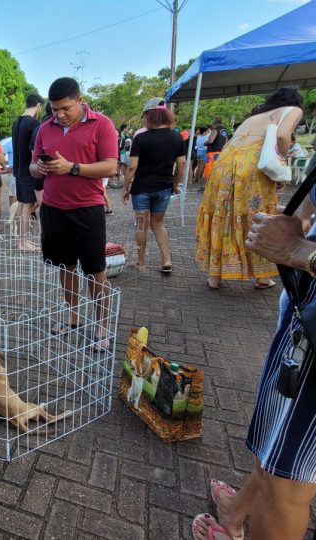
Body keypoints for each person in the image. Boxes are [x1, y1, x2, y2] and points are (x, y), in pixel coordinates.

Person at [191, 187, 316, 539]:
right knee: (276, 443)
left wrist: (299, 251)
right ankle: (234, 512)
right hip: (305, 318)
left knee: (288, 481)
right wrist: (300, 223)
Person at [29, 77, 118, 349]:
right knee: (65, 266)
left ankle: (102, 325)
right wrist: (40, 170)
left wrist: (73, 168)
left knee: (95, 270)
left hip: (87, 209)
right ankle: (72, 314)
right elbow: (32, 166)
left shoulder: (102, 124)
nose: (60, 115)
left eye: (66, 108)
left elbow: (110, 167)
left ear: (80, 101)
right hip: (54, 209)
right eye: (55, 109)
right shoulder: (45, 128)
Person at [196, 87, 303, 290]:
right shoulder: (292, 109)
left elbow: (231, 144)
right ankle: (262, 277)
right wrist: (280, 162)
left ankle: (215, 277)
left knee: (221, 215)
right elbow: (282, 136)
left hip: (223, 165)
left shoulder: (254, 117)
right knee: (259, 216)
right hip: (252, 166)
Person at [121, 98, 185, 272]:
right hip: (164, 188)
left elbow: (132, 166)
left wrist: (126, 187)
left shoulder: (141, 138)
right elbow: (181, 164)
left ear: (150, 116)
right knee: (158, 224)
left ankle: (141, 263)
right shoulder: (177, 137)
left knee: (141, 225)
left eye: (144, 116)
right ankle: (166, 260)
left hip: (142, 189)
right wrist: (175, 183)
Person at [12, 93, 44, 251]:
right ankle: (23, 242)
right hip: (28, 170)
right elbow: (34, 149)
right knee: (28, 205)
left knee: (22, 204)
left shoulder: (16, 121)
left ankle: (21, 240)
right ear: (38, 105)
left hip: (18, 170)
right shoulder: (33, 123)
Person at [202, 116, 228, 182]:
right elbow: (226, 142)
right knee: (218, 170)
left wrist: (205, 143)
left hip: (212, 153)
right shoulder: (224, 130)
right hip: (221, 152)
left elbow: (210, 140)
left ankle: (207, 186)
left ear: (214, 122)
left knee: (209, 170)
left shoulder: (215, 130)